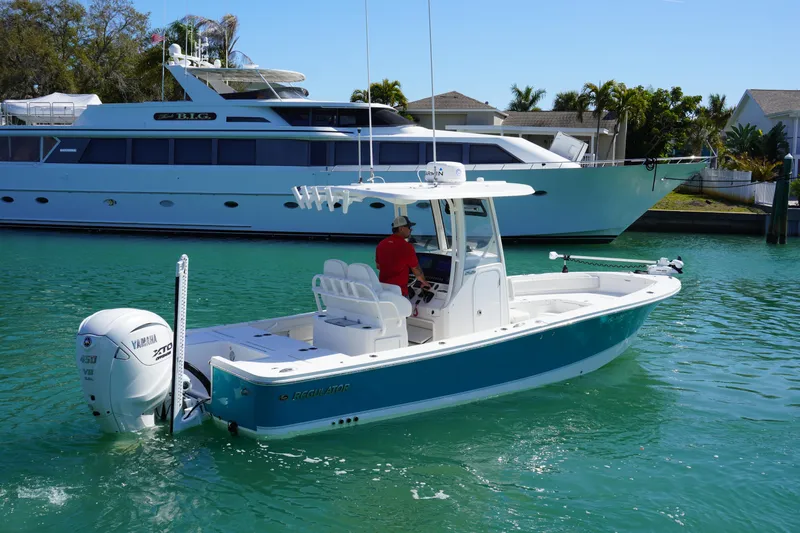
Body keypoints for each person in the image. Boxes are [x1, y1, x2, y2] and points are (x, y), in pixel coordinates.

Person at [375, 215, 431, 297]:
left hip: (383, 292)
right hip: (399, 293)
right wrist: (424, 282)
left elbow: (378, 266)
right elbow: (416, 270)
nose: (411, 229)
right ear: (401, 229)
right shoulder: (407, 247)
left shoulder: (381, 244)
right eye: (409, 227)